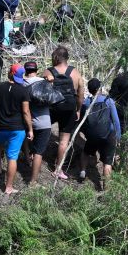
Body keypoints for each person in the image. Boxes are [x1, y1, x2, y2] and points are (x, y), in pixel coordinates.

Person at [0, 64, 32, 195]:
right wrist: (30, 129)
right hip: (17, 130)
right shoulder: (23, 90)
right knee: (12, 158)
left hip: (0, 127)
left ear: (9, 73)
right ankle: (8, 187)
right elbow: (26, 112)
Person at [47, 46, 84, 179]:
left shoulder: (48, 72)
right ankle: (58, 169)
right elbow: (80, 94)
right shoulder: (75, 73)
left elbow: (39, 92)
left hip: (52, 107)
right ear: (67, 58)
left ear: (55, 57)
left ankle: (32, 156)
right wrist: (78, 110)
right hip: (69, 108)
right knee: (63, 141)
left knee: (42, 131)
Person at [78, 78, 121, 189]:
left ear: (90, 89)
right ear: (99, 88)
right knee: (107, 162)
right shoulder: (108, 101)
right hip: (108, 135)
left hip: (92, 135)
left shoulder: (86, 102)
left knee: (86, 152)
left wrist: (86, 133)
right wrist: (118, 137)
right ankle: (105, 188)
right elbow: (116, 121)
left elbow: (83, 121)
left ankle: (82, 172)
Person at [22, 61, 52, 184]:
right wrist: (50, 80)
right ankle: (33, 181)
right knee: (39, 152)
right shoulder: (44, 82)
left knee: (26, 140)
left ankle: (28, 159)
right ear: (36, 70)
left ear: (25, 70)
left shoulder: (21, 83)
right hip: (44, 122)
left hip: (26, 121)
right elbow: (52, 96)